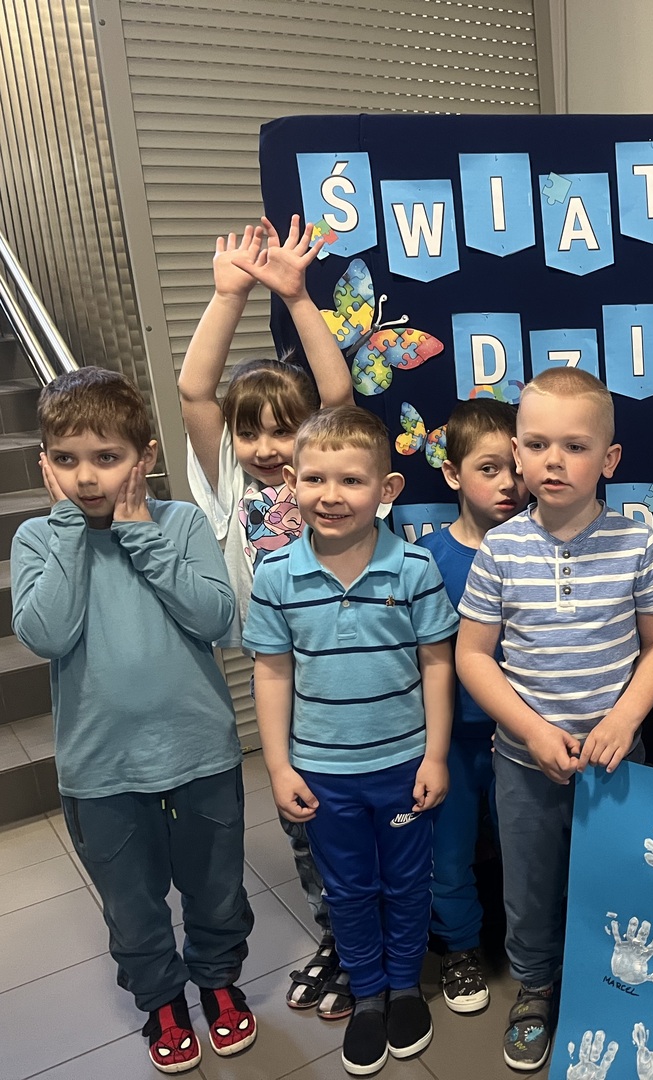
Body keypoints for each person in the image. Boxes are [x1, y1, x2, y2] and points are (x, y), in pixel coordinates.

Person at [12, 368, 255, 1074]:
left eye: (107, 457)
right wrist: (68, 530)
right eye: (67, 460)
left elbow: (216, 618)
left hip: (200, 753)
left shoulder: (181, 524)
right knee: (132, 903)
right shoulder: (38, 538)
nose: (87, 477)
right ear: (45, 464)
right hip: (102, 768)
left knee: (216, 888)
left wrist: (142, 535)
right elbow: (47, 633)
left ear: (144, 456)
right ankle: (162, 1001)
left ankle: (218, 981)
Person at [454, 367, 653, 1072]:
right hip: (525, 763)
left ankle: (609, 982)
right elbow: (473, 657)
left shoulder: (637, 544)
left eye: (575, 447)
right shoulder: (500, 549)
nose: (554, 461)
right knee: (529, 885)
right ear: (517, 453)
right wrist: (531, 730)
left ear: (609, 459)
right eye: (537, 444)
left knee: (617, 875)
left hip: (617, 762)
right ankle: (536, 987)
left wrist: (625, 719)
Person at [176, 214, 358, 1018]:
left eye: (283, 431)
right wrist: (228, 298)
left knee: (363, 815)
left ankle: (375, 937)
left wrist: (298, 297)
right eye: (249, 432)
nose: (266, 446)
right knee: (303, 816)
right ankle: (338, 936)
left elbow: (337, 396)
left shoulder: (324, 472)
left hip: (352, 664)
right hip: (279, 674)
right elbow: (195, 391)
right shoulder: (229, 486)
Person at [244, 406, 458, 1076]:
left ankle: (404, 987)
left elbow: (438, 664)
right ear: (291, 482)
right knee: (347, 888)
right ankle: (366, 993)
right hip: (322, 773)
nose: (330, 495)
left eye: (351, 480)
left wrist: (435, 755)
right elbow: (272, 673)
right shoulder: (276, 575)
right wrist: (278, 767)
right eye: (314, 479)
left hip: (402, 766)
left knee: (406, 882)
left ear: (387, 490)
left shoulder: (415, 567)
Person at [415, 398, 527, 1015]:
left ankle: (533, 950)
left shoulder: (542, 549)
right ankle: (460, 948)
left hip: (525, 741)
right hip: (451, 741)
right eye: (489, 469)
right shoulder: (427, 558)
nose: (508, 483)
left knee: (525, 852)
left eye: (516, 467)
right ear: (452, 474)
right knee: (449, 853)